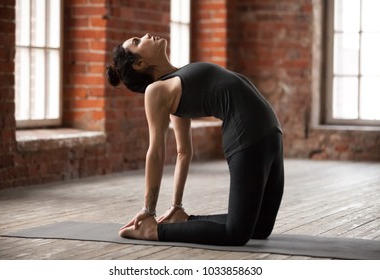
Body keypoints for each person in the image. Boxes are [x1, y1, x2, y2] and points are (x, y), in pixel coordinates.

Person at [106, 33, 284, 246]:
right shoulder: (156, 90)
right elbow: (156, 151)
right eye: (137, 42)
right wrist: (148, 210)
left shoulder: (175, 78)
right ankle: (153, 231)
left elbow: (184, 152)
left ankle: (182, 220)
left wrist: (176, 206)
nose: (146, 36)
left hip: (271, 135)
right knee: (236, 234)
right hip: (246, 137)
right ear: (139, 63)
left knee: (261, 227)